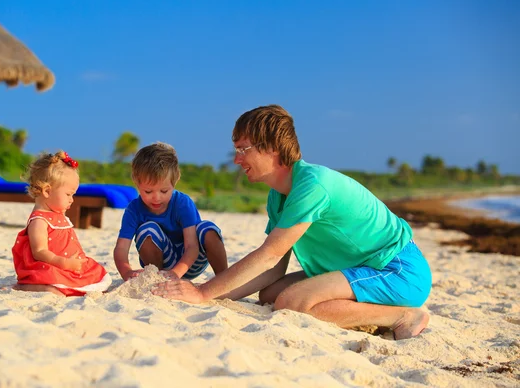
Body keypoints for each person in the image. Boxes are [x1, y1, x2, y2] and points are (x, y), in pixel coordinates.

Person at [153, 105, 432, 340]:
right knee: (271, 294)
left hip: (395, 269)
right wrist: (209, 296)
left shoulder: (313, 185)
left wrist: (201, 293)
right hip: (354, 267)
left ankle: (403, 315)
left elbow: (268, 256)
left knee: (290, 303)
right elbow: (273, 268)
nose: (237, 159)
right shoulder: (278, 196)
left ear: (272, 148)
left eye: (243, 149)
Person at [113, 142, 228, 281]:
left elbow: (192, 246)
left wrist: (176, 273)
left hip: (190, 261)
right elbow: (121, 248)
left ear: (175, 182)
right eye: (148, 191)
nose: (156, 198)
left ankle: (224, 279)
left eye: (164, 191)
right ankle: (156, 280)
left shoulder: (182, 203)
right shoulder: (134, 209)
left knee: (207, 228)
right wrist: (126, 272)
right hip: (160, 266)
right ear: (137, 183)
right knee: (148, 230)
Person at [12, 151, 112, 296]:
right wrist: (63, 263)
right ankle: (26, 286)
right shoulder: (39, 221)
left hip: (68, 264)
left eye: (73, 195)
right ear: (47, 191)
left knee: (95, 274)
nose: (72, 200)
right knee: (52, 285)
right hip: (49, 265)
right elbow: (39, 252)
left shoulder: (57, 213)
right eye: (68, 194)